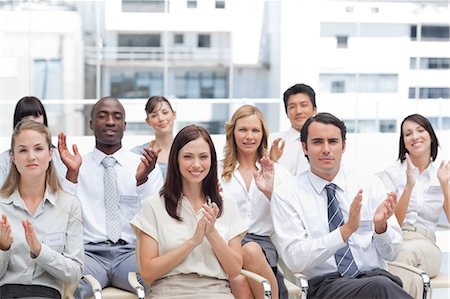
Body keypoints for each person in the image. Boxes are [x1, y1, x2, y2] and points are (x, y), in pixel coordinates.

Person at [271, 112, 412, 299]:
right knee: (381, 287)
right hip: (326, 284)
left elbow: (392, 253)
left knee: (381, 284)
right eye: (318, 142)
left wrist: (381, 228)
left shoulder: (369, 184)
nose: (326, 149)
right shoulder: (287, 194)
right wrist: (345, 231)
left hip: (374, 277)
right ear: (304, 147)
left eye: (333, 141)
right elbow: (296, 259)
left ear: (343, 146)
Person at [58, 96, 164, 298]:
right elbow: (62, 215)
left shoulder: (144, 166)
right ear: (91, 124)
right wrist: (72, 175)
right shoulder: (75, 166)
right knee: (71, 289)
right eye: (102, 116)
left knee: (158, 287)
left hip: (131, 253)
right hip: (89, 254)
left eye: (117, 117)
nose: (110, 121)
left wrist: (142, 181)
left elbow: (156, 218)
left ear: (124, 125)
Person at [130, 124, 247, 298]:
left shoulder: (227, 205)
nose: (196, 164)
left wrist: (212, 233)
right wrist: (193, 241)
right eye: (187, 157)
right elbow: (148, 272)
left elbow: (234, 269)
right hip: (169, 292)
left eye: (203, 157)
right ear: (175, 160)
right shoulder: (154, 206)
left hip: (217, 292)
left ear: (212, 160)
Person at [0, 120, 84, 299]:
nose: (31, 156)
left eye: (38, 148)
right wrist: (3, 248)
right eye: (23, 150)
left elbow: (75, 272)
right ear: (13, 157)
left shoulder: (69, 205)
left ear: (50, 154)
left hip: (47, 293)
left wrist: (40, 251)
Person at [219, 105, 291, 299]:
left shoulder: (278, 173)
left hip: (261, 246)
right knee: (239, 280)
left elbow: (291, 217)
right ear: (232, 133)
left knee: (250, 251)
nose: (249, 136)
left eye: (255, 130)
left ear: (263, 135)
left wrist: (270, 193)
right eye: (243, 130)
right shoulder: (216, 172)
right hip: (225, 244)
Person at [380, 114, 450, 298]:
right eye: (408, 133)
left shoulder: (442, 173)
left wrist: (444, 185)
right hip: (396, 237)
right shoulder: (391, 174)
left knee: (402, 255)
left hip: (426, 245)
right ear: (403, 142)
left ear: (431, 136)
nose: (415, 136)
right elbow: (392, 222)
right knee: (412, 276)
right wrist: (409, 186)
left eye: (420, 130)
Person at [0, 96, 67, 186]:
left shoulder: (57, 155)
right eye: (26, 117)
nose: (32, 120)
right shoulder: (4, 160)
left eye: (36, 116)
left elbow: (64, 188)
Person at [269, 83, 317, 176]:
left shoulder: (326, 142)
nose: (298, 111)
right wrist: (272, 161)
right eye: (292, 107)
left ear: (314, 110)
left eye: (303, 105)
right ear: (287, 113)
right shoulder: (272, 141)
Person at [131, 96, 176, 180]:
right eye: (154, 115)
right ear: (147, 121)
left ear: (174, 114)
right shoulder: (138, 154)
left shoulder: (186, 151)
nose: (161, 119)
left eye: (165, 112)